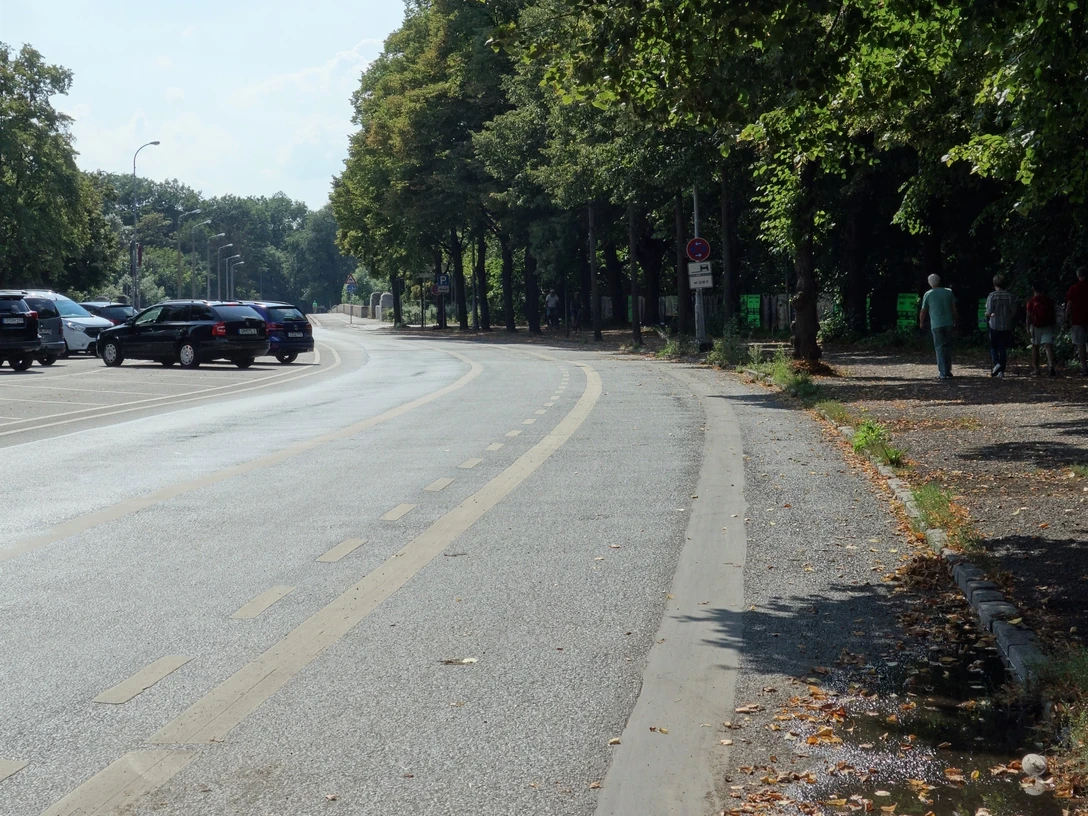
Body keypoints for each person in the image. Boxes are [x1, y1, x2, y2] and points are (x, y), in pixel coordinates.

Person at [919, 274, 958, 379]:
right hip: (949, 323)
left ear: (930, 283)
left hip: (936, 324)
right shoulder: (948, 292)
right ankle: (948, 370)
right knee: (947, 347)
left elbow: (923, 311)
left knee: (939, 348)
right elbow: (954, 309)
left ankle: (942, 372)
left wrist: (921, 322)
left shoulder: (928, 294)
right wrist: (955, 320)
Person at [985, 275, 1016, 377]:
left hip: (994, 325)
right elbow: (1014, 311)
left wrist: (988, 314)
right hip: (1006, 325)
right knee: (1003, 347)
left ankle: (997, 364)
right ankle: (1001, 371)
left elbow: (989, 311)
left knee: (994, 347)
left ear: (994, 284)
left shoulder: (992, 296)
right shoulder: (1009, 296)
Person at [1025, 281, 1058, 376]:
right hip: (1047, 325)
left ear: (1033, 289)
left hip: (1036, 326)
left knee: (1035, 347)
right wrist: (1054, 325)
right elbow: (1054, 314)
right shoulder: (1049, 300)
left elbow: (1028, 316)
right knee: (1048, 347)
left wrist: (1028, 327)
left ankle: (1036, 369)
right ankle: (1051, 366)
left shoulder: (1031, 301)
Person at [1064, 266, 1088, 376]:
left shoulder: (1073, 289)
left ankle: (1084, 368)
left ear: (1078, 276)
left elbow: (1069, 305)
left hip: (1078, 319)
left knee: (1081, 344)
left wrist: (1066, 318)